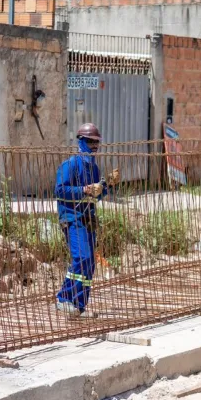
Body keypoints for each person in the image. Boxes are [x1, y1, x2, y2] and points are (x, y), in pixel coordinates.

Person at [54, 123, 120, 317]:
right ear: (81, 141)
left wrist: (107, 185)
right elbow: (60, 191)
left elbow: (96, 195)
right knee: (81, 257)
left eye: (96, 142)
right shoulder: (70, 165)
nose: (94, 145)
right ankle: (64, 298)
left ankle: (79, 305)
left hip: (87, 218)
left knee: (89, 262)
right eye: (90, 141)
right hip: (72, 217)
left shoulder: (95, 169)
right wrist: (84, 189)